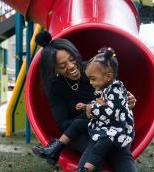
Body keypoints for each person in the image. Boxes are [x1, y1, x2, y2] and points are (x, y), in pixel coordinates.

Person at [32, 31, 137, 172]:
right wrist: (90, 115)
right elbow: (63, 124)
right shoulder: (55, 88)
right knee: (103, 143)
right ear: (54, 68)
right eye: (62, 65)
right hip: (80, 133)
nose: (71, 66)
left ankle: (56, 152)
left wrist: (127, 100)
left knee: (111, 144)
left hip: (109, 124)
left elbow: (114, 89)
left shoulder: (92, 69)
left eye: (71, 59)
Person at [75, 47, 135, 172]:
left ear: (108, 76)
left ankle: (87, 169)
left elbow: (111, 112)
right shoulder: (103, 89)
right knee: (98, 150)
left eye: (93, 79)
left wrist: (92, 109)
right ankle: (85, 168)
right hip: (107, 130)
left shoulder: (115, 89)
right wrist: (87, 106)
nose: (91, 82)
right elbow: (101, 106)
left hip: (117, 131)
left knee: (100, 149)